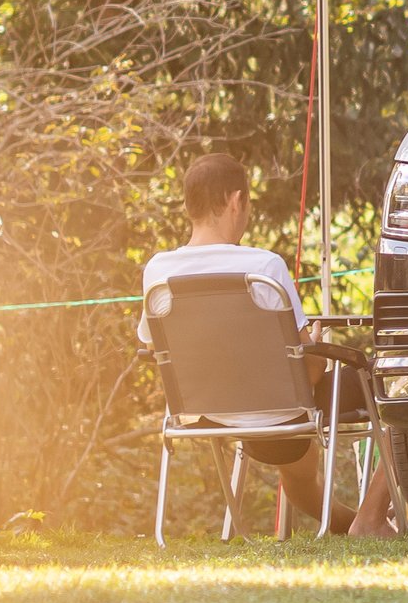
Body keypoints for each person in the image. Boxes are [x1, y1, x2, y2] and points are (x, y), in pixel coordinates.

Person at [140, 151, 393, 536]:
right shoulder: (262, 268)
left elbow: (153, 349)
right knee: (407, 387)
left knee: (298, 477)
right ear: (236, 200)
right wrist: (317, 348)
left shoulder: (158, 272)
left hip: (211, 414)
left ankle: (351, 523)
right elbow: (309, 372)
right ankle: (371, 519)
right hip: (282, 414)